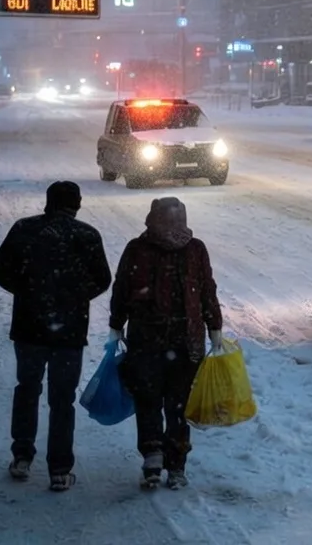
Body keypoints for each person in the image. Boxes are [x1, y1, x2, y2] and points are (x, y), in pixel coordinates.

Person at [0, 181, 112, 492]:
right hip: (69, 332)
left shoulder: (24, 229)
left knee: (27, 389)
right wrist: (73, 298)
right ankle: (59, 468)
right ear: (77, 204)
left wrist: (27, 290)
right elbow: (102, 278)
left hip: (29, 327)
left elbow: (0, 267)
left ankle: (22, 456)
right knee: (62, 400)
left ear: (48, 202)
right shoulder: (87, 235)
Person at [109, 197, 223, 490]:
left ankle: (153, 456)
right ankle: (176, 465)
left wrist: (116, 323)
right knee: (179, 404)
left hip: (147, 338)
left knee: (148, 399)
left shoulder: (138, 248)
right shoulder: (195, 249)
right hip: (187, 339)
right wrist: (214, 327)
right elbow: (207, 289)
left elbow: (123, 287)